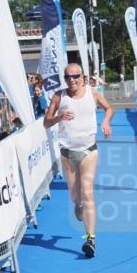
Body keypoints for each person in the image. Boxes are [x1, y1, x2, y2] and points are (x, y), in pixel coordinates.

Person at [43, 63, 114, 258]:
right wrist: (58, 118)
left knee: (88, 192)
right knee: (76, 196)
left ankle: (90, 239)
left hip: (89, 150)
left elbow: (109, 108)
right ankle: (78, 203)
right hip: (67, 152)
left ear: (82, 77)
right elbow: (45, 123)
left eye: (75, 76)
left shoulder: (92, 93)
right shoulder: (59, 96)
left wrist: (106, 122)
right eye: (67, 77)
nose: (71, 80)